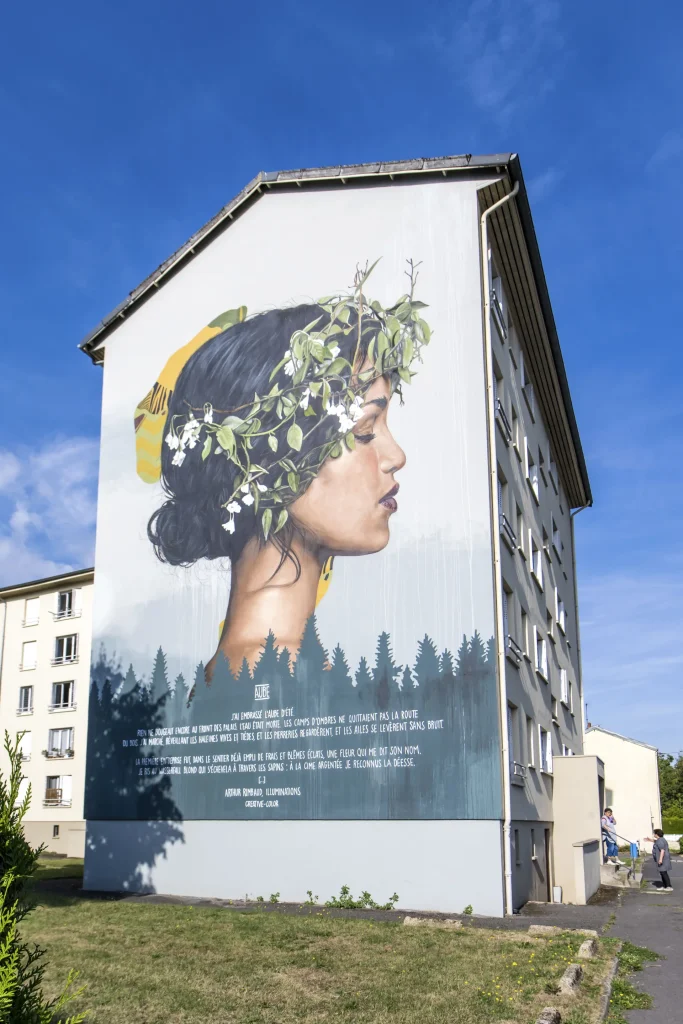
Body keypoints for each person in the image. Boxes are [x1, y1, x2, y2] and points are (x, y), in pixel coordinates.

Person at [145, 262, 431, 676]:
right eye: (365, 431)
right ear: (268, 462)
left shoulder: (281, 669)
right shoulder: (270, 673)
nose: (396, 456)